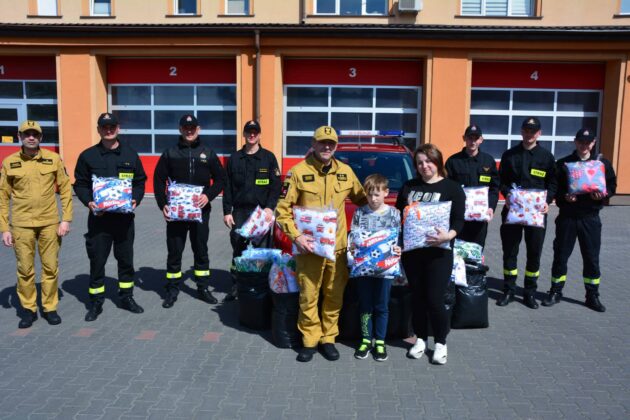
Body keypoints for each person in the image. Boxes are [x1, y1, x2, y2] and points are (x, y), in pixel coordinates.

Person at [275, 125, 367, 363]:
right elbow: (282, 211)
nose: (327, 147)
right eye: (322, 142)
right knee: (309, 296)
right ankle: (309, 341)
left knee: (334, 296)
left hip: (337, 249)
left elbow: (365, 200)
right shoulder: (297, 173)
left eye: (331, 143)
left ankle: (328, 339)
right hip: (309, 249)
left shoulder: (346, 172)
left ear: (335, 146)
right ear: (313, 144)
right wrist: (297, 236)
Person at [396, 143, 465, 365]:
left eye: (429, 161)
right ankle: (421, 339)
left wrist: (449, 236)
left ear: (438, 162)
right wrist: (397, 244)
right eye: (420, 162)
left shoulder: (452, 188)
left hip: (439, 254)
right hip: (413, 253)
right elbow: (399, 219)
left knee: (435, 299)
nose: (425, 166)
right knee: (417, 298)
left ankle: (441, 342)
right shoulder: (409, 186)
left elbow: (459, 219)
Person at [74, 112, 147, 322]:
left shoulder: (130, 155)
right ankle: (96, 301)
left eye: (112, 126)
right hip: (99, 220)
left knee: (125, 260)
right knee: (97, 261)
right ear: (98, 130)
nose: (108, 130)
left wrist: (136, 199)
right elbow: (80, 183)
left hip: (124, 220)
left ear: (118, 128)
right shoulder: (88, 156)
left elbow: (140, 181)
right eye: (104, 127)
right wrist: (89, 201)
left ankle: (126, 296)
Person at [0, 120, 73, 328]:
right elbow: (3, 196)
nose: (30, 137)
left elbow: (66, 189)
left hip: (49, 223)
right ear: (19, 137)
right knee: (25, 269)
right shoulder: (9, 162)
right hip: (21, 225)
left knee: (50, 267)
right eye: (26, 134)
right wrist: (4, 228)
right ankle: (29, 309)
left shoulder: (53, 159)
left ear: (41, 137)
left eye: (34, 134)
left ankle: (49, 308)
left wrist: (66, 219)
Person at [153, 114, 226, 309]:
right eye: (186, 127)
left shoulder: (208, 153)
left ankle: (202, 288)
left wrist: (207, 196)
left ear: (198, 129)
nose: (189, 130)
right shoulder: (170, 153)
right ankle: (172, 289)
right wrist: (163, 204)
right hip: (176, 213)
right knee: (174, 251)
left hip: (200, 212)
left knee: (201, 250)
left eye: (192, 127)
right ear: (180, 129)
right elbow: (158, 180)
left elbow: (220, 179)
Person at [543, 128, 617, 312]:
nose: (584, 145)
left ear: (593, 143)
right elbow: (554, 188)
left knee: (591, 257)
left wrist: (602, 196)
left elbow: (612, 185)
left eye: (588, 142)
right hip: (567, 217)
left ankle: (592, 295)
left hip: (590, 218)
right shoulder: (563, 164)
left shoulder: (602, 164)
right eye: (581, 142)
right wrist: (564, 197)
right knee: (560, 255)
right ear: (575, 142)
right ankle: (555, 291)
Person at [497, 117, 557, 309]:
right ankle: (509, 290)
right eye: (526, 130)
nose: (529, 134)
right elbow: (501, 180)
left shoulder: (546, 157)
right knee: (510, 252)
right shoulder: (509, 155)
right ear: (521, 132)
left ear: (539, 133)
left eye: (533, 131)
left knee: (534, 253)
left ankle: (529, 292)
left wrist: (548, 201)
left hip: (536, 214)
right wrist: (506, 194)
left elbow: (553, 183)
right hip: (512, 212)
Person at [222, 120, 281, 302]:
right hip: (240, 212)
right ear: (244, 134)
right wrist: (227, 211)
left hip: (261, 214)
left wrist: (270, 208)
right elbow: (228, 187)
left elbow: (276, 186)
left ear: (259, 135)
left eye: (255, 132)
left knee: (261, 251)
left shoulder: (268, 158)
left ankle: (260, 285)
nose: (252, 135)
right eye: (249, 132)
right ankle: (237, 286)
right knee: (238, 250)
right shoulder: (234, 159)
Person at [349, 174, 401, 362]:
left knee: (382, 306)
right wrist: (353, 247)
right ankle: (365, 340)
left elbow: (398, 238)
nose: (373, 199)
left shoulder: (394, 213)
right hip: (364, 268)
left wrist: (398, 247)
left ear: (386, 193)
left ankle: (380, 341)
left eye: (377, 194)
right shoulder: (360, 213)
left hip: (385, 269)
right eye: (370, 194)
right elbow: (353, 237)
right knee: (365, 305)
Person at [445, 124, 499, 248]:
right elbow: (447, 187)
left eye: (476, 138)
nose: (472, 141)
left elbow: (494, 187)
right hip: (459, 218)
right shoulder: (453, 161)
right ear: (464, 138)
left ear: (481, 140)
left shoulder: (488, 161)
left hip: (480, 219)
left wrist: (491, 207)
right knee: (457, 251)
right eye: (470, 138)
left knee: (477, 251)